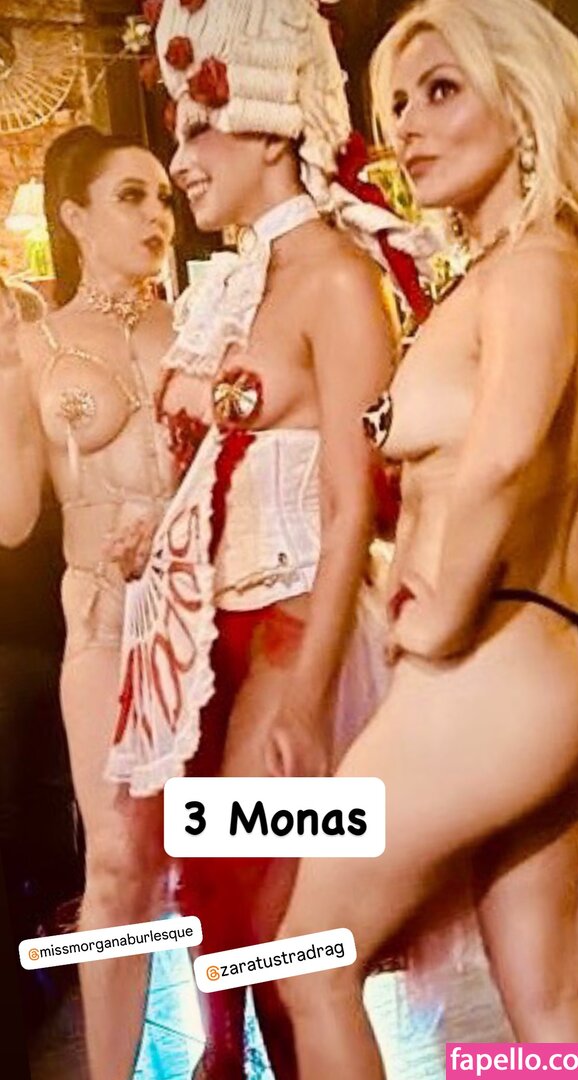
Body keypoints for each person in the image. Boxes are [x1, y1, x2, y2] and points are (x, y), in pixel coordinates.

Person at [104, 1, 438, 1076]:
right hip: (214, 645)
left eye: (198, 130)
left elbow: (351, 502)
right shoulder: (246, 284)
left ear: (264, 132)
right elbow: (230, 459)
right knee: (224, 908)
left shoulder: (336, 279)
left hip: (295, 635)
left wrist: (303, 696)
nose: (180, 161)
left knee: (285, 931)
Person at [275, 0, 578, 1073]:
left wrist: (435, 614)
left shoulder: (532, 272)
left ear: (522, 101)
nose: (408, 127)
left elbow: (505, 458)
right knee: (544, 1001)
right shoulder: (553, 270)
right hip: (554, 665)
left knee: (306, 959)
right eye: (396, 105)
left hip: (487, 667)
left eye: (441, 90)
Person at [0, 126, 176, 1080]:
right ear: (73, 216)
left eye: (164, 197)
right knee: (116, 864)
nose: (158, 216)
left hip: (207, 611)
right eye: (131, 197)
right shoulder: (33, 345)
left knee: (244, 841)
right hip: (105, 621)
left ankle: (238, 1048)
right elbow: (12, 518)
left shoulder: (200, 328)